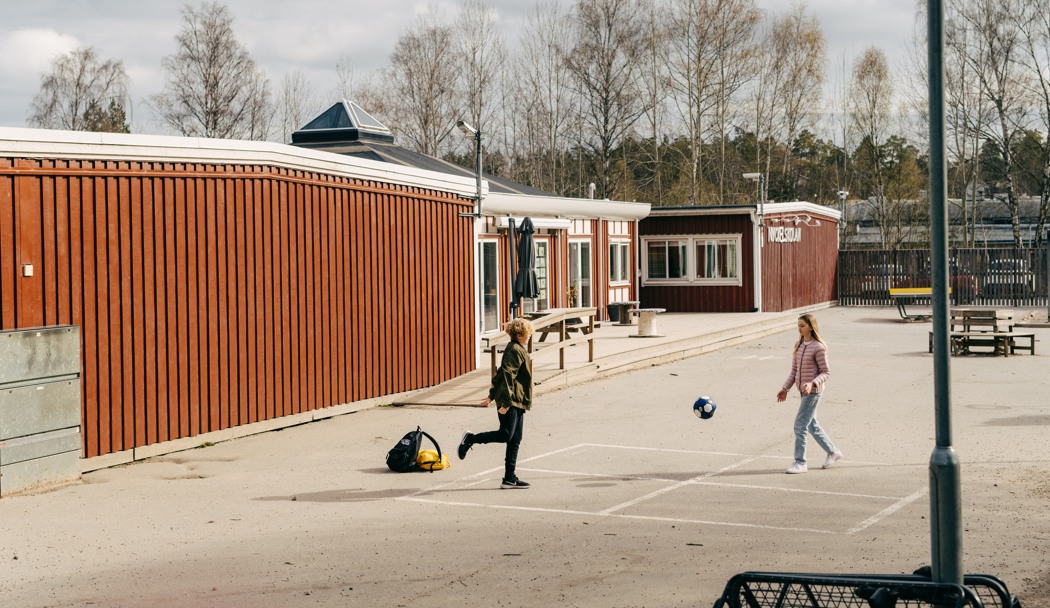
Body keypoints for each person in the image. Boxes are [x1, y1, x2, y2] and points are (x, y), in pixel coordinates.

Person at [457, 317, 535, 489]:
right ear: (519, 334)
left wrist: (491, 396)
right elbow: (507, 375)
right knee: (506, 434)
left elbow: (500, 373)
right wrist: (505, 402)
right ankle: (470, 439)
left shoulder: (518, 349)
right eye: (527, 332)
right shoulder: (514, 350)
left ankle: (509, 478)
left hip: (518, 400)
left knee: (515, 439)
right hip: (511, 400)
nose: (529, 335)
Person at [776, 313, 842, 474]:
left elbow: (826, 372)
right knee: (811, 425)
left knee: (800, 426)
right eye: (798, 325)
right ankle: (833, 452)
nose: (799, 328)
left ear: (811, 327)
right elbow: (794, 371)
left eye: (802, 326)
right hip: (802, 390)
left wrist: (812, 383)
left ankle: (800, 462)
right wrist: (785, 388)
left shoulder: (818, 347)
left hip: (813, 392)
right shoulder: (798, 345)